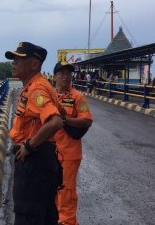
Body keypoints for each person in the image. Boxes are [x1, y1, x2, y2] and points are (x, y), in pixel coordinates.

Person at [5, 41, 63, 225]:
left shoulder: (37, 89)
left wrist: (29, 146)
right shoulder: (38, 86)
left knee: (27, 217)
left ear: (35, 64)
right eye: (13, 58)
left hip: (35, 164)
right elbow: (61, 111)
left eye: (19, 58)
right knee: (45, 217)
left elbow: (56, 121)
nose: (14, 62)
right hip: (43, 161)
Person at [53, 62, 93, 225]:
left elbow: (86, 120)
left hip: (69, 154)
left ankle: (69, 222)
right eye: (62, 73)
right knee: (51, 191)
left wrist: (65, 119)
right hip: (50, 152)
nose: (66, 76)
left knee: (66, 193)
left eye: (68, 73)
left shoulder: (77, 97)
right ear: (54, 76)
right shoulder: (49, 96)